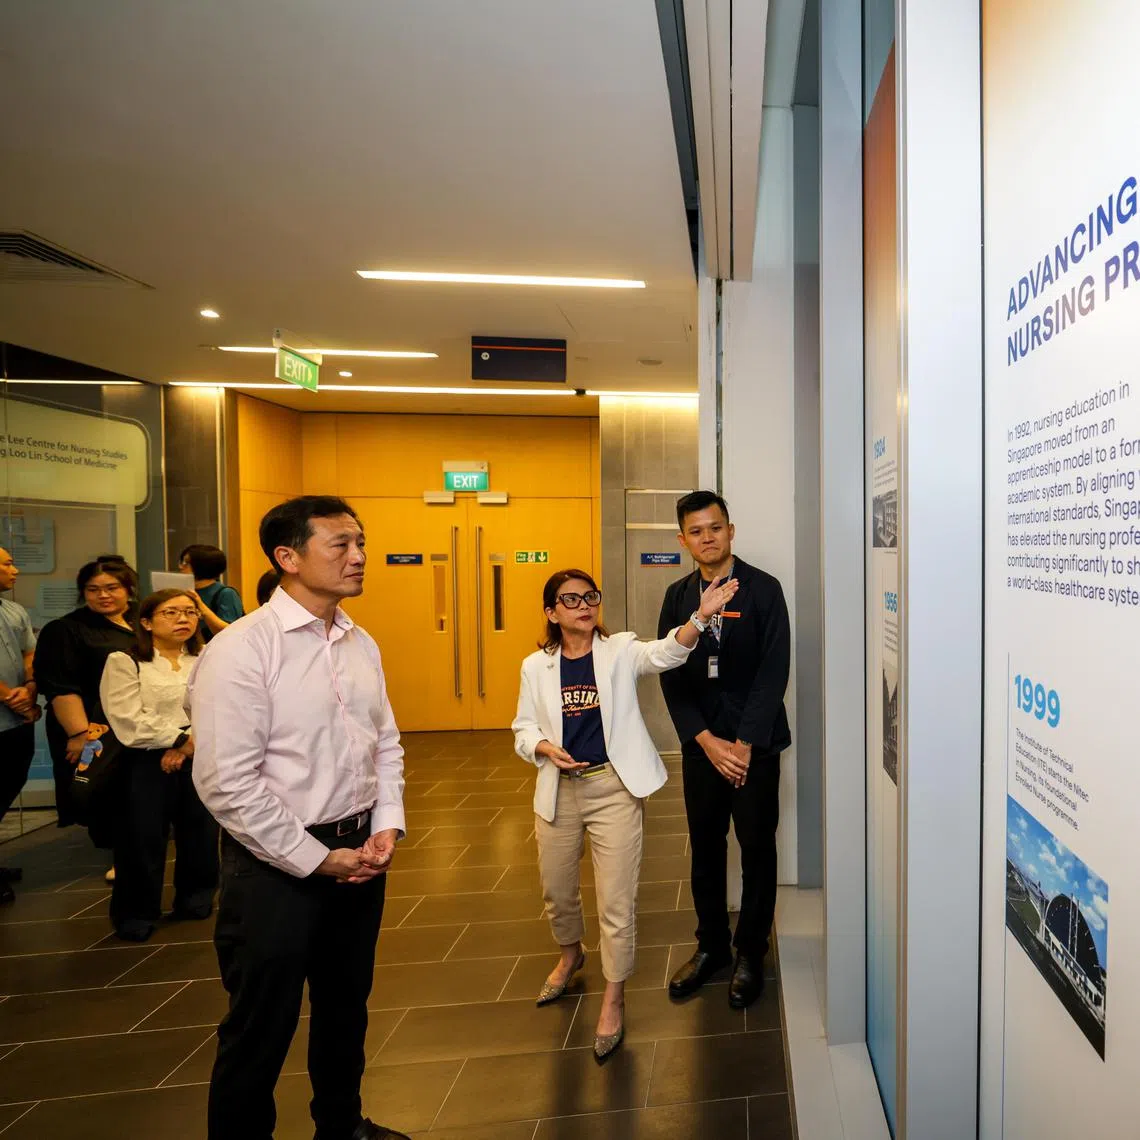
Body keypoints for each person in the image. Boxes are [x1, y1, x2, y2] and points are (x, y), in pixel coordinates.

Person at [189, 495, 408, 1140]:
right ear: (288, 558)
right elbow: (227, 783)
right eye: (340, 544)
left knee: (346, 1006)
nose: (359, 556)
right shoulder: (241, 650)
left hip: (359, 853)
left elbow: (385, 740)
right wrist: (317, 858)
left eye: (360, 542)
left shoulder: (359, 641)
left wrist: (385, 825)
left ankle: (340, 1125)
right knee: (263, 1022)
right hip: (274, 866)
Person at [513, 567, 738, 1061]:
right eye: (570, 600)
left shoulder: (618, 652)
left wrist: (699, 619)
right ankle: (571, 954)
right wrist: (544, 746)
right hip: (559, 792)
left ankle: (614, 998)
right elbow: (522, 728)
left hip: (612, 789)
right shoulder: (537, 666)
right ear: (551, 613)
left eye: (590, 596)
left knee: (616, 901)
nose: (584, 606)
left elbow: (666, 652)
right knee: (556, 889)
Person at [657, 491, 791, 1010]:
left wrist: (742, 744)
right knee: (706, 849)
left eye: (715, 528)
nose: (707, 537)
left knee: (757, 850)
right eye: (696, 531)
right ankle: (711, 946)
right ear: (683, 539)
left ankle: (751, 952)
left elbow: (773, 671)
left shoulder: (764, 590)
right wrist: (706, 740)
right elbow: (669, 671)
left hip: (753, 746)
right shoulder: (676, 597)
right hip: (702, 747)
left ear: (731, 531)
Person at [99, 588, 218, 941]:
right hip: (144, 761)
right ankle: (136, 914)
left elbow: (219, 706)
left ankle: (196, 899)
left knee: (200, 833)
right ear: (147, 622)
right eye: (171, 612)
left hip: (200, 754)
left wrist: (187, 746)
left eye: (189, 612)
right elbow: (126, 718)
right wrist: (178, 741)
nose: (183, 619)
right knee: (141, 838)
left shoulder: (208, 657)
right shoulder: (126, 660)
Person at [33, 555, 138, 837]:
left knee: (137, 793)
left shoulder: (144, 620)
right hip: (94, 726)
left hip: (137, 724)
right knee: (104, 792)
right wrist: (81, 735)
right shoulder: (66, 629)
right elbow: (61, 687)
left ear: (129, 588)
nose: (103, 595)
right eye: (93, 589)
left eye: (112, 587)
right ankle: (119, 855)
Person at [0, 546, 40, 903]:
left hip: (16, 718)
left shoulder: (14, 610)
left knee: (10, 783)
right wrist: (7, 694)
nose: (15, 570)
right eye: (7, 564)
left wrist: (28, 688)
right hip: (8, 709)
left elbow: (29, 652)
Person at [179, 544, 244, 642]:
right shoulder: (183, 592)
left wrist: (200, 605)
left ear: (201, 566)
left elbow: (230, 632)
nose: (180, 566)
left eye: (185, 563)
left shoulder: (226, 593)